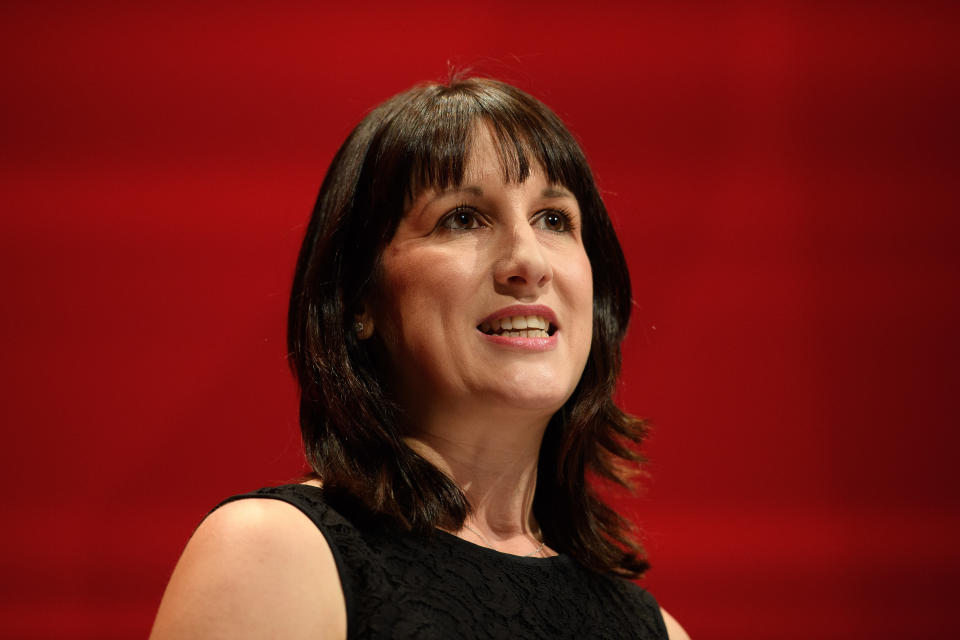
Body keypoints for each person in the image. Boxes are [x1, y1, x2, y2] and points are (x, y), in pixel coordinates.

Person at [150, 76, 690, 640]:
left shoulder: (655, 631)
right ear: (360, 299)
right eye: (461, 217)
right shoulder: (272, 556)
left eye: (554, 219)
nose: (528, 261)